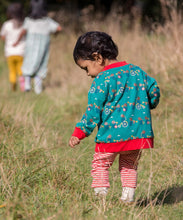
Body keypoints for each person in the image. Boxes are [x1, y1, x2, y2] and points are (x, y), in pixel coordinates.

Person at [69, 31, 160, 203]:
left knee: (100, 165)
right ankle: (127, 199)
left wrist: (79, 133)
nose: (88, 74)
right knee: (129, 165)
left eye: (86, 68)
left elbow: (92, 112)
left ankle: (100, 200)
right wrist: (150, 104)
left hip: (110, 136)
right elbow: (154, 89)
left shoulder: (101, 81)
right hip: (138, 134)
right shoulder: (136, 71)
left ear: (98, 58)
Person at [13, 0, 62, 94]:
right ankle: (38, 88)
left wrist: (17, 41)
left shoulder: (29, 20)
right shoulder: (47, 21)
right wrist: (55, 34)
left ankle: (27, 84)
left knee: (28, 61)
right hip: (43, 47)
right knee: (42, 64)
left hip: (30, 46)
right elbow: (59, 28)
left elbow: (23, 31)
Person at [0, 2, 25, 92]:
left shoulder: (6, 25)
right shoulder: (24, 24)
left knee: (12, 71)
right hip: (21, 51)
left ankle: (13, 83)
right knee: (20, 70)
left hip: (10, 52)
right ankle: (23, 84)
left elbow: (3, 37)